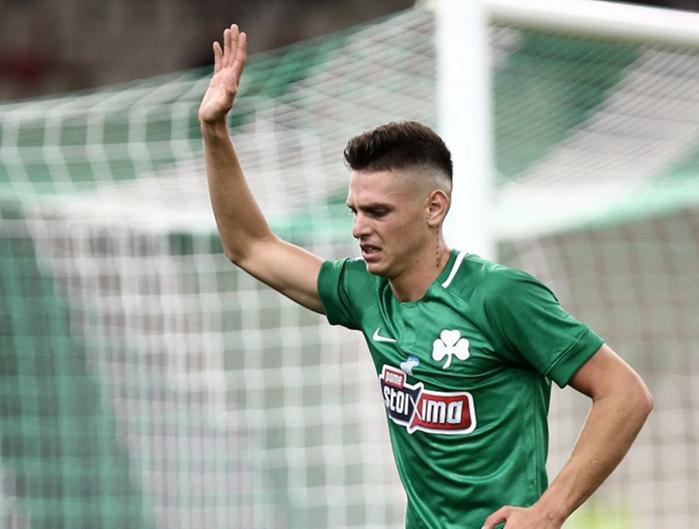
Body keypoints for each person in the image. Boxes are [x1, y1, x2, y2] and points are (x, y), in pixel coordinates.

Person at [199, 24, 653, 529]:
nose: (359, 228)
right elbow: (251, 246)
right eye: (355, 211)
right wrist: (215, 130)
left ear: (434, 207)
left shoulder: (498, 296)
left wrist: (549, 512)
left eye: (378, 212)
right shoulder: (365, 292)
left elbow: (625, 392)